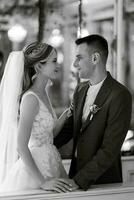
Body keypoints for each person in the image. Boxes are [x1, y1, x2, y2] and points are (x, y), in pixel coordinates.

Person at [54, 34, 132, 191]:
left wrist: (79, 181)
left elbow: (110, 149)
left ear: (95, 58)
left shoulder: (119, 95)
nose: (75, 64)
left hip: (103, 183)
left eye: (79, 58)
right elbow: (68, 130)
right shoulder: (80, 90)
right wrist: (41, 148)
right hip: (73, 176)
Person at [0, 42, 73, 193]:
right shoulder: (30, 99)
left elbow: (49, 134)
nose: (57, 65)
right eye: (53, 61)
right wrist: (43, 181)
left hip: (52, 160)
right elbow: (21, 145)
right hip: (34, 170)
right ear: (39, 66)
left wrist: (68, 112)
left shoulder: (44, 93)